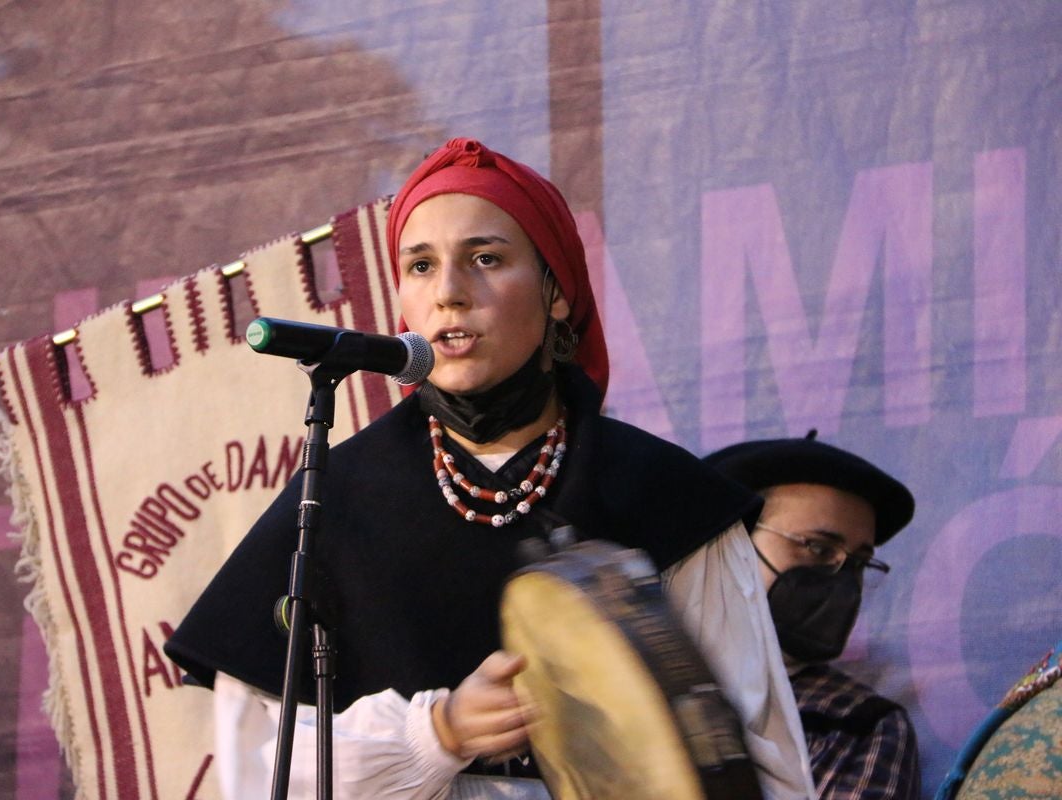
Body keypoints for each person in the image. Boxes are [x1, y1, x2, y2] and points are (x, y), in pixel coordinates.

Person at [165, 137, 814, 799]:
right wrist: (437, 733)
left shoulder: (663, 495)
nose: (449, 293)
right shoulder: (336, 503)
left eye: (486, 258)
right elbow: (259, 770)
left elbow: (761, 756)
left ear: (557, 292)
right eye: (420, 266)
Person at [704, 431, 921, 800]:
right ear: (729, 542)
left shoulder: (856, 725)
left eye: (859, 563)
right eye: (818, 548)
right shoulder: (624, 678)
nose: (842, 582)